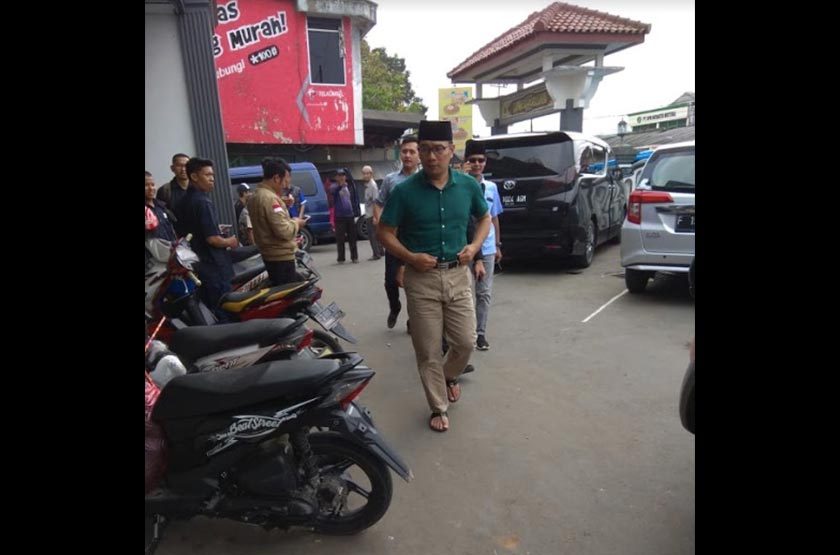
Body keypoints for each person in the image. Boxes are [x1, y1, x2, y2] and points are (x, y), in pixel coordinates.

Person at [378, 121, 490, 433]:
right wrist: (410, 257)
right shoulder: (404, 192)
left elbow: (484, 218)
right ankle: (438, 406)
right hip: (421, 280)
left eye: (438, 149)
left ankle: (450, 375)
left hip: (458, 276)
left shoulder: (467, 186)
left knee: (465, 341)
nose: (431, 157)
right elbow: (384, 232)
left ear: (451, 151)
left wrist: (474, 247)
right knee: (428, 350)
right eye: (425, 150)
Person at [173, 157, 238, 320]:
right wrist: (230, 241)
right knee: (224, 311)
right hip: (212, 266)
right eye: (207, 175)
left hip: (197, 266)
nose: (212, 179)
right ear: (194, 176)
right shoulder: (202, 202)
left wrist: (216, 229)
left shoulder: (182, 201)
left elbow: (194, 230)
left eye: (213, 175)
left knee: (212, 311)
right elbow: (212, 239)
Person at [373, 135, 420, 329]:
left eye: (412, 152)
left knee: (414, 283)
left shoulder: (425, 179)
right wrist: (379, 222)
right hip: (393, 239)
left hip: (417, 240)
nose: (408, 155)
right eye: (404, 151)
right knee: (391, 282)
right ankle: (395, 306)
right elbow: (378, 203)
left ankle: (412, 320)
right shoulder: (391, 180)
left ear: (419, 155)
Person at [463, 140, 504, 351]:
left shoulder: (491, 188)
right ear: (466, 162)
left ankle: (480, 333)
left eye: (480, 160)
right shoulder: (458, 185)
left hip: (486, 248)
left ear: (485, 163)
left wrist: (497, 245)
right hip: (463, 248)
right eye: (473, 160)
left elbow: (494, 217)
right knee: (461, 293)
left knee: (484, 293)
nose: (477, 164)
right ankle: (462, 333)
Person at [247, 157, 308, 286]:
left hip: (270, 255)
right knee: (289, 293)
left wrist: (282, 202)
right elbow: (284, 231)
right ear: (276, 178)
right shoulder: (270, 199)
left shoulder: (256, 195)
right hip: (280, 257)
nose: (286, 186)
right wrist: (296, 222)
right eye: (285, 182)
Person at [329, 169, 359, 264]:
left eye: (343, 175)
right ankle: (341, 258)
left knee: (352, 237)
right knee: (340, 238)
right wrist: (340, 186)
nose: (342, 177)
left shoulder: (349, 186)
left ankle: (354, 257)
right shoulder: (334, 186)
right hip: (340, 216)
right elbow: (332, 192)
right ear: (336, 177)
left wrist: (356, 210)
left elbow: (354, 198)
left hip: (350, 215)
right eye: (339, 175)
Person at [145, 171, 177, 242]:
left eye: (152, 185)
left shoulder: (161, 206)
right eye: (146, 185)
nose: (151, 188)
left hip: (169, 247)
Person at [361, 165, 384, 260]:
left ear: (371, 174)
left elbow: (376, 202)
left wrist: (375, 216)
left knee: (372, 235)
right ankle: (380, 251)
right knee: (376, 234)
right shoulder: (367, 185)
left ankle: (376, 254)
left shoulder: (372, 186)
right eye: (364, 173)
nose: (366, 175)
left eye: (368, 173)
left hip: (371, 214)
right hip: (369, 213)